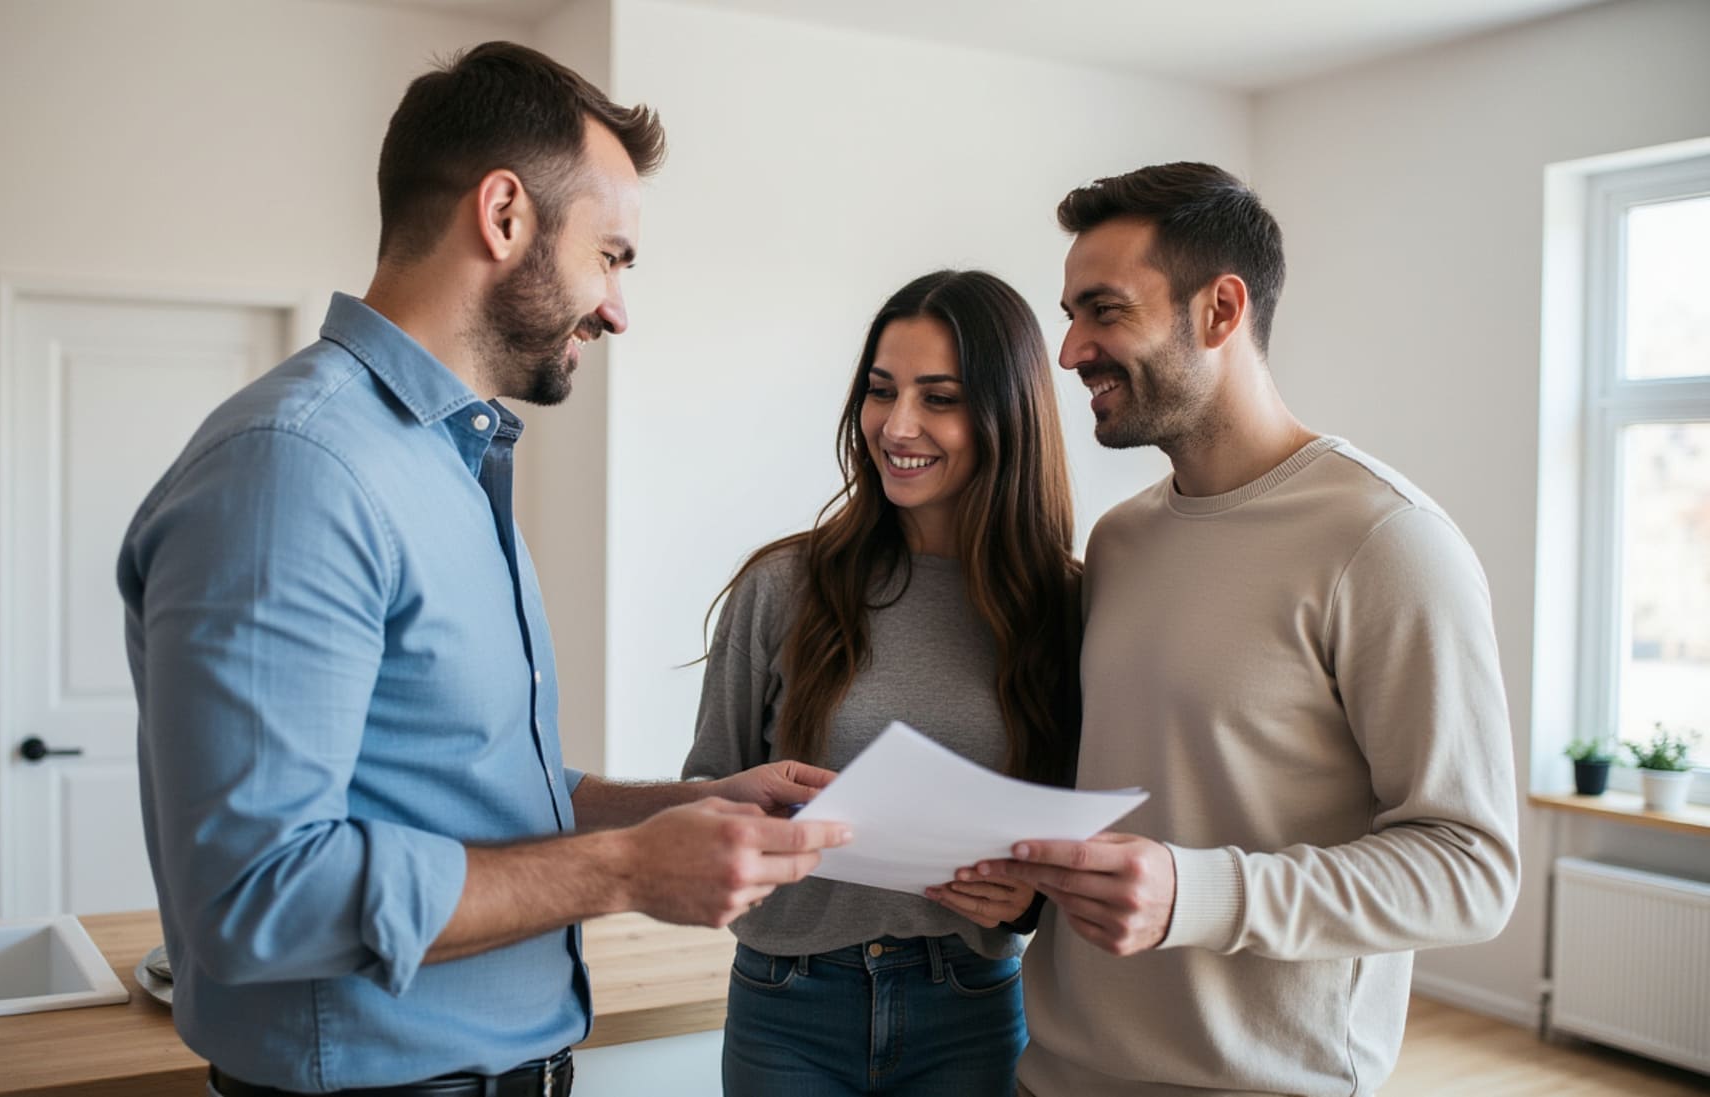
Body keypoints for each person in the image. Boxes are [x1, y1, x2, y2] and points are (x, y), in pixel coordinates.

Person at [117, 42, 849, 1097]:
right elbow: (254, 896)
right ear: (504, 216)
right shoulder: (299, 468)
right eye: (613, 255)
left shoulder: (446, 460)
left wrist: (673, 808)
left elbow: (459, 787)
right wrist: (633, 871)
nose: (618, 307)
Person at [959, 161, 1520, 1097]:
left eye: (1102, 310)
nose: (1068, 351)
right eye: (1069, 314)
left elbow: (1470, 868)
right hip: (1050, 1074)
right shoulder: (1121, 539)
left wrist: (1201, 894)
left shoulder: (1386, 541)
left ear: (1221, 310)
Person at [683, 269, 1083, 1097]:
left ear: (1006, 414)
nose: (896, 425)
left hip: (969, 1003)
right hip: (787, 999)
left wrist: (1028, 899)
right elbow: (704, 794)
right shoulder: (781, 584)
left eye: (939, 397)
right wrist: (744, 824)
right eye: (880, 390)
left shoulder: (1067, 606)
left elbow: (1080, 831)